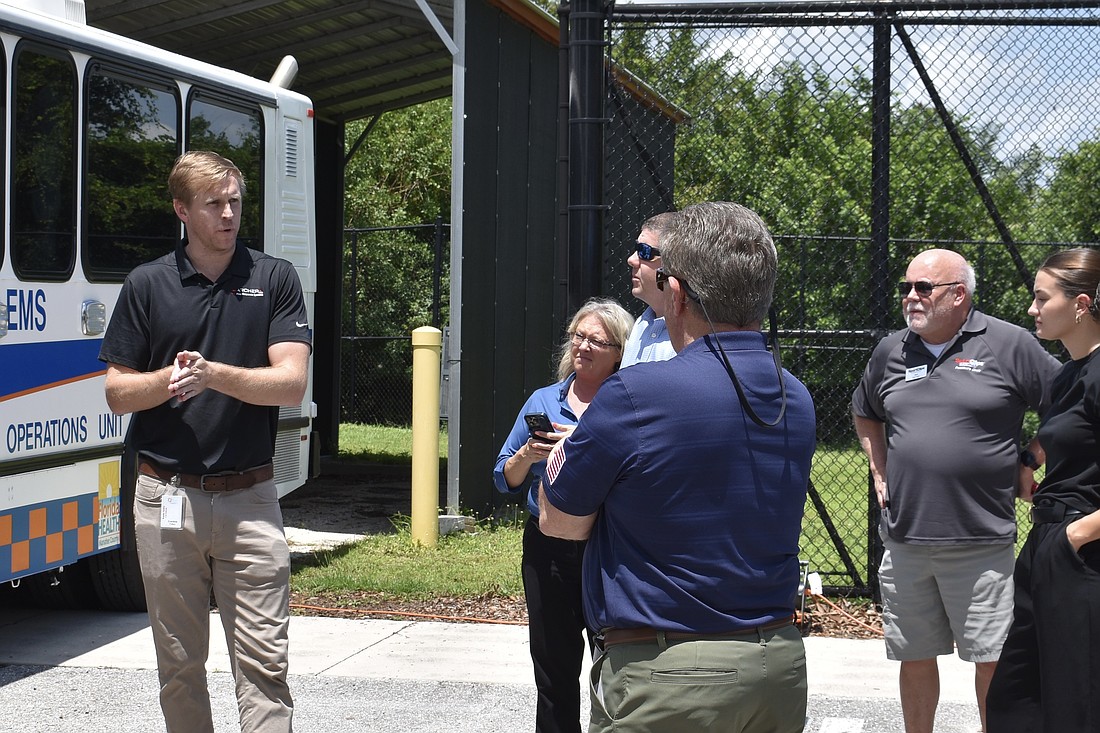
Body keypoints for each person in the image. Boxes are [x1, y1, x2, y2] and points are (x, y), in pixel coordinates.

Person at [539, 201, 816, 733]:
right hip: (778, 664)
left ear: (679, 292)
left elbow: (560, 520)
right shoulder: (795, 398)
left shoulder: (637, 393)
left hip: (670, 673)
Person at [99, 151, 312, 733]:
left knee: (265, 666)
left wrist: (215, 373)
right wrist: (172, 379)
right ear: (182, 211)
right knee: (180, 666)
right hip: (166, 498)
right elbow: (117, 394)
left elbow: (291, 385)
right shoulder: (147, 284)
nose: (228, 214)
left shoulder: (273, 278)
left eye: (235, 202)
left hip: (251, 500)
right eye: (214, 204)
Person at [852, 248, 1060, 733]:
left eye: (923, 288)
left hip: (981, 542)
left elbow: (1067, 405)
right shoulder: (891, 350)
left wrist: (1030, 458)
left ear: (959, 294)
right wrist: (879, 470)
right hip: (906, 541)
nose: (911, 297)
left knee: (991, 662)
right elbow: (865, 411)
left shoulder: (1009, 344)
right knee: (915, 657)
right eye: (906, 287)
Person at [493, 297, 633, 733]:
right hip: (547, 546)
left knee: (615, 662)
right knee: (553, 665)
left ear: (619, 353)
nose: (583, 347)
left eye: (597, 340)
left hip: (607, 549)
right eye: (579, 336)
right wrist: (526, 454)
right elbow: (503, 477)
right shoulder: (543, 400)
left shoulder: (627, 403)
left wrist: (582, 442)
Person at [986, 248, 1100, 732]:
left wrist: (1077, 536)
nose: (1032, 309)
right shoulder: (1073, 371)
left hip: (1081, 553)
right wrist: (1031, 459)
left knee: (1075, 704)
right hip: (1048, 544)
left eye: (1040, 297)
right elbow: (1069, 432)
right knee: (1018, 697)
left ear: (1081, 304)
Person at [620, 212, 679, 367]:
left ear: (674, 263)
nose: (631, 260)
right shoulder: (641, 324)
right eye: (635, 249)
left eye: (644, 251)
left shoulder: (692, 335)